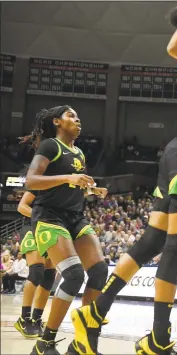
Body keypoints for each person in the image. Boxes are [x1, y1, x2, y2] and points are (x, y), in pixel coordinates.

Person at [70, 2, 177, 354]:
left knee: (152, 243)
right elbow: (175, 48)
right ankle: (158, 338)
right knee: (176, 250)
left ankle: (95, 312)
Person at [23, 105, 108, 355]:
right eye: (71, 115)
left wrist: (91, 189)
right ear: (57, 122)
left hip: (75, 217)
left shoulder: (79, 152)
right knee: (73, 275)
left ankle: (83, 341)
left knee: (100, 271)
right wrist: (68, 178)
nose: (77, 119)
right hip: (49, 217)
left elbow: (74, 185)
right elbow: (31, 181)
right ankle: (45, 342)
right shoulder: (50, 145)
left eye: (78, 116)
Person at [14, 191, 56, 339]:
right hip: (32, 227)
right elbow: (22, 207)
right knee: (37, 272)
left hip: (52, 230)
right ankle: (24, 318)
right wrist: (44, 218)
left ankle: (37, 319)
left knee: (49, 277)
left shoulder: (64, 189)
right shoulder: (39, 181)